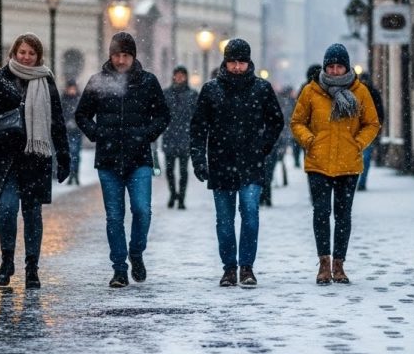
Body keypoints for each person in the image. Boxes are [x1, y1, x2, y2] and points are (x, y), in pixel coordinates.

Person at [75, 32, 169, 288]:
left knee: (142, 210)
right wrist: (97, 134)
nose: (120, 60)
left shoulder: (147, 82)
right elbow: (82, 114)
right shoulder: (98, 81)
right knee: (114, 217)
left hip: (139, 159)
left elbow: (162, 115)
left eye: (125, 55)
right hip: (108, 159)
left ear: (133, 56)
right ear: (110, 55)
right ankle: (119, 268)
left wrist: (146, 134)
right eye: (116, 55)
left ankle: (136, 251)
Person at [190, 39, 283, 287]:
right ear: (225, 62)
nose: (237, 67)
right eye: (233, 62)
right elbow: (198, 128)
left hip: (250, 163)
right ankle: (229, 267)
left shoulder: (261, 89)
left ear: (248, 62)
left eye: (241, 62)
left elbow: (276, 121)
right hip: (221, 162)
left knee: (250, 214)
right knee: (224, 218)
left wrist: (262, 147)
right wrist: (199, 160)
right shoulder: (211, 90)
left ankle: (247, 267)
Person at [0, 33, 70, 289]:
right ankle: (6, 262)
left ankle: (32, 268)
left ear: (38, 56)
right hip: (5, 157)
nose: (26, 57)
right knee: (8, 209)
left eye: (31, 53)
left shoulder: (46, 80)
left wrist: (64, 156)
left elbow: (56, 121)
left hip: (35, 159)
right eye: (22, 52)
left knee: (33, 214)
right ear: (14, 53)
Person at [290, 44, 380, 285]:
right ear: (325, 66)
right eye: (331, 66)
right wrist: (310, 140)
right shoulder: (311, 91)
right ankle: (324, 263)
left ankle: (339, 264)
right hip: (318, 163)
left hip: (348, 164)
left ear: (347, 67)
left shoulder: (360, 92)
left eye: (340, 66)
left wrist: (357, 143)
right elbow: (297, 121)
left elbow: (372, 123)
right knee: (321, 213)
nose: (336, 70)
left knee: (343, 215)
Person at [162, 65, 197, 210]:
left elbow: (197, 116)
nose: (180, 77)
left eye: (183, 75)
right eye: (178, 75)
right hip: (170, 136)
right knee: (169, 171)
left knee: (183, 171)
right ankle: (172, 194)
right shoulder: (166, 94)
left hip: (185, 137)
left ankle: (181, 198)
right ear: (173, 76)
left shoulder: (192, 94)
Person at [357, 72, 385, 191]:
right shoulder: (369, 93)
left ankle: (360, 181)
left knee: (364, 157)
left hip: (364, 131)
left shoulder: (367, 93)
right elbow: (380, 113)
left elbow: (380, 113)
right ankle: (360, 181)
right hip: (362, 131)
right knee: (364, 158)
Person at [60, 80, 83, 186]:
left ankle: (75, 175)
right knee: (70, 154)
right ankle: (71, 175)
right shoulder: (63, 100)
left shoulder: (79, 99)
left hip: (76, 131)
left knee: (76, 154)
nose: (72, 91)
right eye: (71, 88)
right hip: (67, 131)